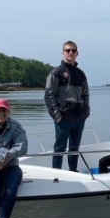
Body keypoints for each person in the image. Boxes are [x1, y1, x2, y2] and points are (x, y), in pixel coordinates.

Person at [44, 41, 90, 171]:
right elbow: (49, 95)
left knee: (74, 148)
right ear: (63, 52)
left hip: (79, 117)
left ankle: (73, 171)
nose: (71, 53)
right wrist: (56, 115)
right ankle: (56, 174)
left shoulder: (81, 74)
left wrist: (86, 111)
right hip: (63, 117)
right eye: (68, 50)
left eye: (73, 50)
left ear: (77, 53)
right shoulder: (56, 73)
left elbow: (85, 94)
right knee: (60, 147)